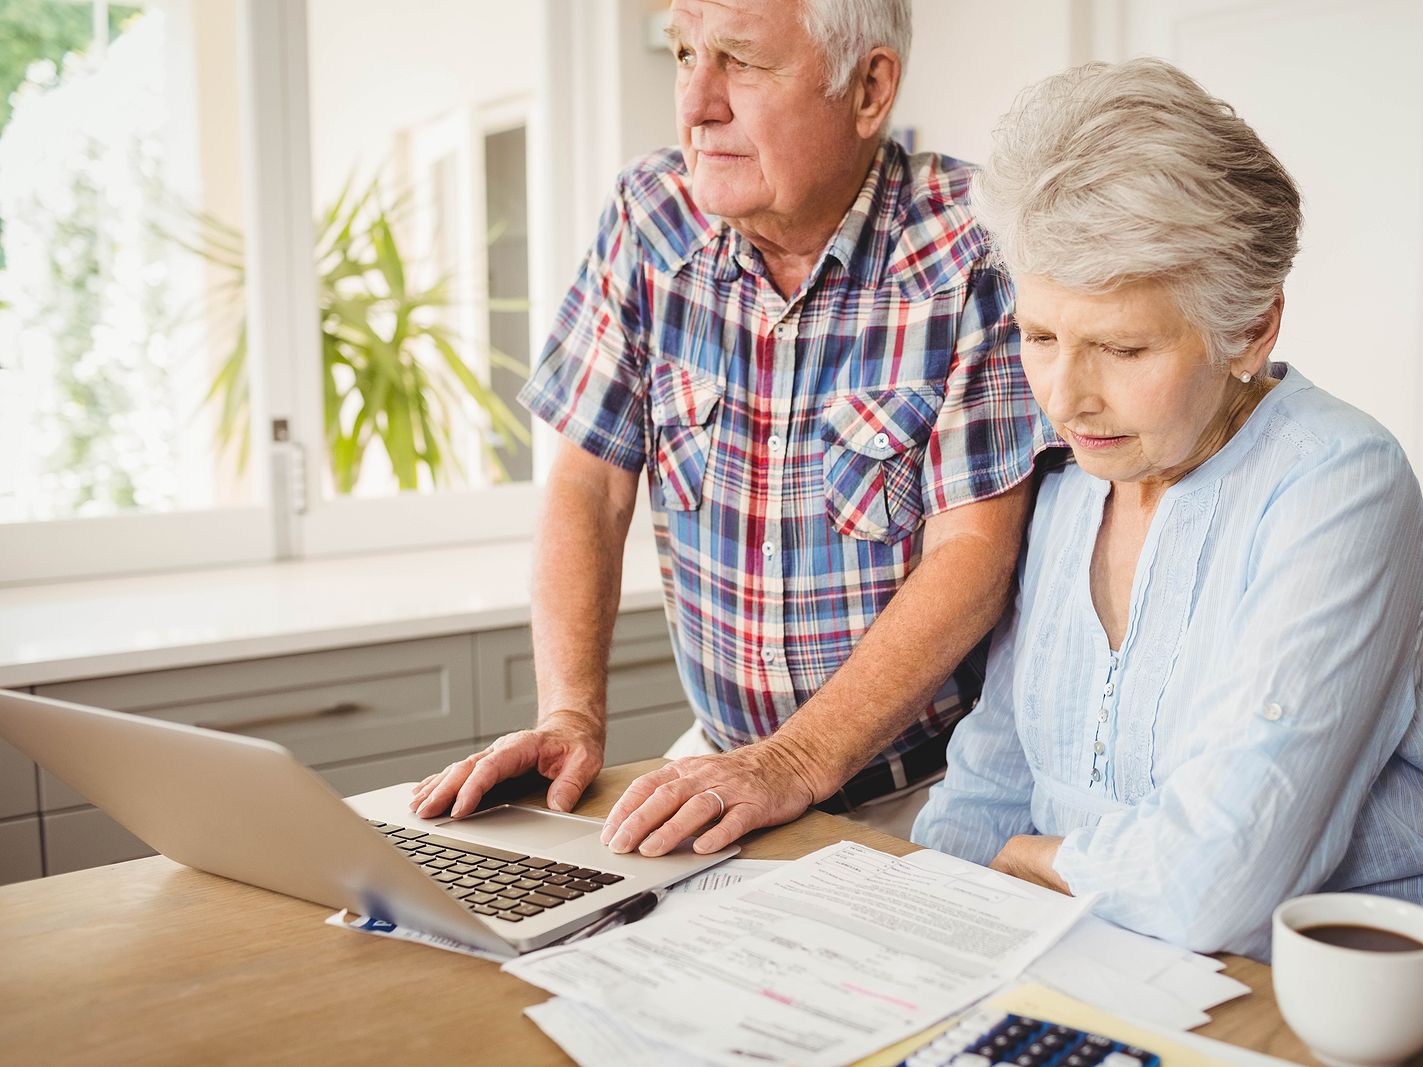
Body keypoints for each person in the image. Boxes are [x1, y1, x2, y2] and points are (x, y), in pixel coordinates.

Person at [910, 58, 1423, 1040]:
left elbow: (1215, 880)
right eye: (1040, 334)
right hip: (1094, 968)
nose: (1064, 395)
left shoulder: (1340, 481)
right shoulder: (1069, 481)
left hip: (1330, 1011)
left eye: (1124, 348)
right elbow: (993, 770)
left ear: (1249, 326)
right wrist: (933, 900)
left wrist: (1033, 859)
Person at [410, 0, 1050, 853]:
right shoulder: (650, 214)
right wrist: (569, 714)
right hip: (722, 770)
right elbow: (588, 483)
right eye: (684, 56)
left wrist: (796, 759)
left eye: (741, 63)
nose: (697, 103)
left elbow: (975, 553)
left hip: (923, 792)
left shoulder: (976, 242)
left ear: (868, 89)